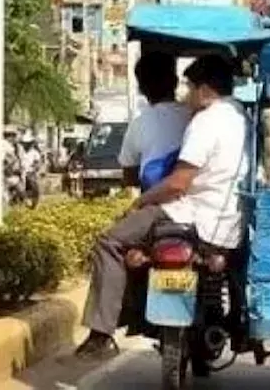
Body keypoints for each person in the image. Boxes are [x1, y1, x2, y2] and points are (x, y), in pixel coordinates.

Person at [76, 55, 248, 359]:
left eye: (191, 88)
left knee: (110, 241)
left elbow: (177, 184)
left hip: (190, 213)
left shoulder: (203, 121)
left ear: (206, 91)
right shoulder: (241, 115)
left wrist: (140, 201)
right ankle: (237, 312)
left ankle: (102, 333)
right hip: (229, 224)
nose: (187, 96)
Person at [118, 52, 192, 191]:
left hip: (156, 202)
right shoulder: (195, 116)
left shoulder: (138, 124)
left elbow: (129, 176)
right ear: (175, 81)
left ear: (141, 88)